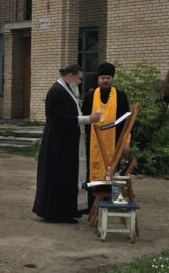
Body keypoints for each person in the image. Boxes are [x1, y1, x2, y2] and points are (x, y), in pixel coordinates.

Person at [32, 64, 101, 223]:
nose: (80, 82)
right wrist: (88, 119)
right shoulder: (58, 91)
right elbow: (60, 118)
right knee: (59, 176)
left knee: (66, 176)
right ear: (70, 76)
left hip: (63, 142)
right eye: (79, 79)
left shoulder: (64, 90)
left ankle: (65, 211)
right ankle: (58, 213)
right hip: (58, 143)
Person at [81, 62, 131, 207]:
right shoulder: (90, 96)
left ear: (112, 79)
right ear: (98, 79)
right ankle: (92, 205)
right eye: (103, 78)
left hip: (115, 142)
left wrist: (126, 142)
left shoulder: (121, 96)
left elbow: (127, 122)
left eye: (108, 78)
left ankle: (112, 202)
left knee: (113, 171)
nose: (105, 81)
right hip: (93, 144)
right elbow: (84, 120)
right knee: (93, 171)